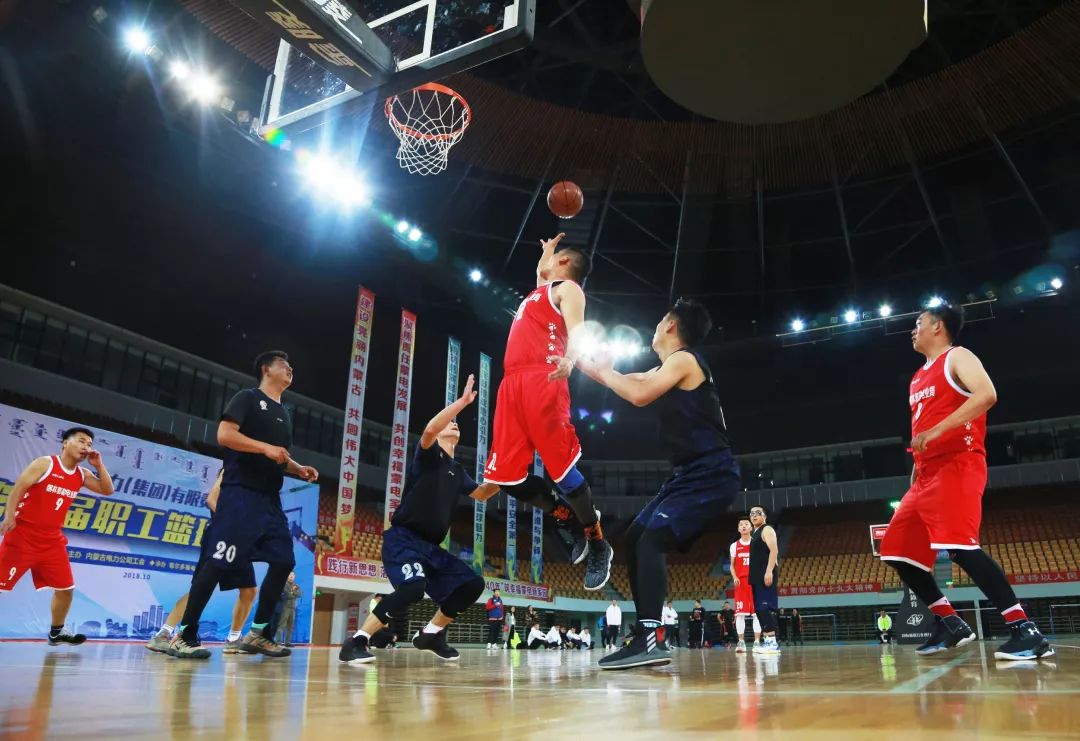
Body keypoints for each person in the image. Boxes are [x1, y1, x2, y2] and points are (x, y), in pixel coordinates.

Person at [879, 304, 1052, 661]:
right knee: (896, 551)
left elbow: (987, 395)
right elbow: (921, 429)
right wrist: (915, 470)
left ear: (937, 327)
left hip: (958, 464)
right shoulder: (917, 377)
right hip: (925, 474)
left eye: (918, 323)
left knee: (960, 548)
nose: (913, 330)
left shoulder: (958, 357)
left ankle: (1025, 630)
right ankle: (951, 622)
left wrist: (940, 430)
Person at [580, 298, 741, 669]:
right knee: (636, 536)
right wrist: (575, 363)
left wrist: (603, 372)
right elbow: (631, 381)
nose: (654, 327)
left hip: (710, 472)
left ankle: (650, 639)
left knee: (650, 539)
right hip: (689, 473)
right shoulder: (666, 367)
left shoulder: (684, 360)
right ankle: (646, 637)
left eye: (658, 322)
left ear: (670, 325)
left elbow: (637, 394)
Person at [481, 233, 613, 591]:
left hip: (546, 376)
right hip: (512, 384)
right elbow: (541, 271)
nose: (545, 265)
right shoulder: (539, 290)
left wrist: (570, 359)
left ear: (566, 266)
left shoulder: (568, 290)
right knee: (508, 478)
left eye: (555, 260)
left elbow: (578, 329)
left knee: (563, 472)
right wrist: (547, 251)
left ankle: (597, 540)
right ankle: (565, 516)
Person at [172, 351, 319, 659]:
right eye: (283, 364)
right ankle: (184, 634)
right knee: (217, 562)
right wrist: (265, 448)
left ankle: (260, 632)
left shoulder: (284, 413)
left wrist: (297, 468)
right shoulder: (248, 398)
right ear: (266, 369)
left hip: (270, 500)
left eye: (291, 365)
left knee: (283, 560)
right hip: (241, 494)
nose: (290, 368)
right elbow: (225, 435)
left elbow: (277, 454)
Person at [339, 376, 487, 664]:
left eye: (456, 421)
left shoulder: (458, 471)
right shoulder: (429, 456)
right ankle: (355, 642)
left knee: (472, 584)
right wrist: (461, 403)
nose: (454, 423)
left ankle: (431, 634)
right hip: (404, 538)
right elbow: (430, 428)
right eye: (450, 421)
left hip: (432, 548)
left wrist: (509, 477)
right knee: (413, 589)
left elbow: (482, 493)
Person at [0, 427, 115, 645]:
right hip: (22, 536)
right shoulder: (45, 463)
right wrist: (9, 516)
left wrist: (99, 465)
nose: (86, 447)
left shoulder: (82, 474)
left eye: (89, 444)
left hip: (52, 541)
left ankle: (56, 632)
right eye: (82, 442)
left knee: (66, 589)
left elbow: (107, 490)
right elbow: (18, 488)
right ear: (65, 443)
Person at [146, 470, 257, 654]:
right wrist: (231, 524)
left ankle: (233, 638)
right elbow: (212, 500)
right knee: (199, 589)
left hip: (239, 540)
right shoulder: (231, 468)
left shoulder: (254, 483)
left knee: (249, 589)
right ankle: (163, 635)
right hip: (220, 535)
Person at [748, 506, 781, 654]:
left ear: (765, 516)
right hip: (756, 574)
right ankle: (767, 640)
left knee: (764, 607)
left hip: (765, 573)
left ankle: (772, 642)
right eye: (752, 513)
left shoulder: (767, 529)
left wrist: (769, 571)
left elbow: (774, 550)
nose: (754, 516)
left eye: (758, 513)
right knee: (759, 609)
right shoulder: (754, 533)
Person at [729, 517, 761, 653]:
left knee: (756, 614)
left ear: (751, 527)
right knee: (740, 614)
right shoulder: (734, 546)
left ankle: (757, 642)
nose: (743, 526)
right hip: (741, 582)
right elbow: (732, 566)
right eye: (741, 524)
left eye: (746, 524)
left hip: (755, 582)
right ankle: (741, 642)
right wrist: (735, 577)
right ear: (738, 529)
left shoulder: (757, 543)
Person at [275, 572, 302, 646]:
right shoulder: (284, 584)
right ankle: (278, 641)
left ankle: (287, 642)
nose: (291, 577)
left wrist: (292, 593)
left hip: (293, 608)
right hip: (285, 607)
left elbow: (299, 594)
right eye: (290, 575)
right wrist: (293, 593)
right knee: (281, 624)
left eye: (293, 575)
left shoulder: (297, 586)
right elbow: (287, 595)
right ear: (287, 576)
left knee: (290, 626)